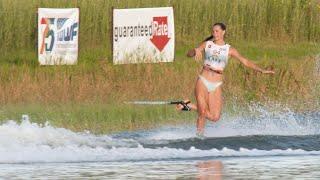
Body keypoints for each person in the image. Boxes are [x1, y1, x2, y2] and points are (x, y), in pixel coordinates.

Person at [177, 22, 275, 137]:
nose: (215, 33)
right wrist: (195, 50)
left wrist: (261, 70)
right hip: (203, 80)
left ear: (223, 32)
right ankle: (199, 138)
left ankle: (187, 105)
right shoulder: (207, 44)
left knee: (215, 117)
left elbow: (245, 61)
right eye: (213, 31)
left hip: (216, 84)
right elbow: (189, 54)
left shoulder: (229, 50)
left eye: (217, 31)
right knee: (202, 112)